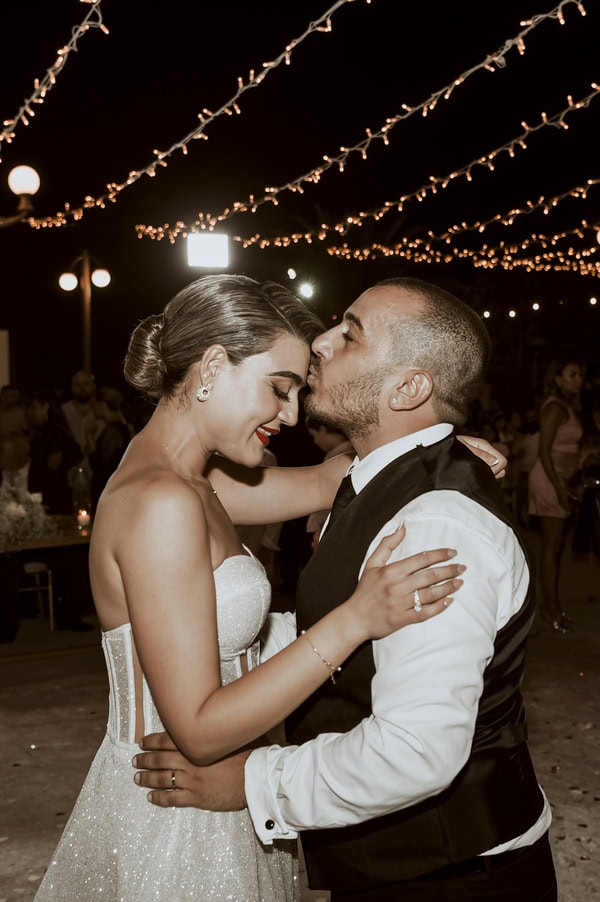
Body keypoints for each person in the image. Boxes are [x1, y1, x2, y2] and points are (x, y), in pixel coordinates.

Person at [34, 275, 468, 902]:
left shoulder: (197, 482)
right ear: (213, 367)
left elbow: (329, 480)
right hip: (180, 809)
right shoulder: (161, 501)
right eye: (279, 389)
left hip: (221, 790)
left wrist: (445, 450)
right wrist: (355, 619)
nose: (290, 415)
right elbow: (199, 729)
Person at [135, 277, 556, 902]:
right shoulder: (368, 482)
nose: (321, 343)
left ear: (409, 388)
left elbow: (413, 752)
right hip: (395, 867)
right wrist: (429, 449)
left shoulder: (434, 525)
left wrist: (254, 782)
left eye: (350, 335)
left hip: (453, 879)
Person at [528, 356, 585, 632]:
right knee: (551, 548)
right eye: (572, 374)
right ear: (558, 380)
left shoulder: (567, 407)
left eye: (580, 375)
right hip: (549, 481)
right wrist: (559, 489)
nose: (578, 380)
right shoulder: (554, 408)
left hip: (559, 479)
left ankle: (552, 607)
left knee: (556, 547)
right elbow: (544, 452)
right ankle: (550, 611)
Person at [305, 415, 354, 549]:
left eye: (314, 435)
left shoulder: (341, 454)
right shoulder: (348, 450)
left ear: (323, 429)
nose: (315, 441)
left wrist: (323, 525)